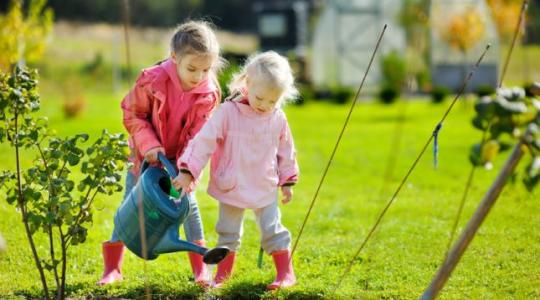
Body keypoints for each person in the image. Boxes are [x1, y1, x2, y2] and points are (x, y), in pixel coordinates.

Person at [98, 20, 224, 286]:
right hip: (146, 158)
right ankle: (112, 268)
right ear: (174, 56)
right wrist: (149, 145)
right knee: (130, 204)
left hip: (181, 162)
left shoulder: (208, 94)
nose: (198, 76)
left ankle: (201, 270)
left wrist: (187, 171)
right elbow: (133, 113)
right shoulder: (152, 80)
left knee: (188, 209)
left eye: (206, 69)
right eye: (192, 68)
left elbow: (200, 138)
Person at [173, 51, 299, 290]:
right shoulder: (228, 112)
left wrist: (287, 180)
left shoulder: (277, 118)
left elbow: (286, 150)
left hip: (264, 182)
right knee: (228, 231)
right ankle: (223, 275)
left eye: (273, 101)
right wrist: (188, 170)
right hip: (231, 182)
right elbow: (204, 141)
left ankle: (285, 274)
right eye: (260, 98)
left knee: (273, 229)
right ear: (247, 83)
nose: (264, 106)